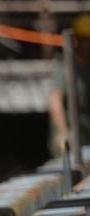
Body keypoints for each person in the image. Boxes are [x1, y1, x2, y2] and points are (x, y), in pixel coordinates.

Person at [49, 13, 90, 156]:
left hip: (86, 130)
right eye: (87, 40)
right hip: (70, 130)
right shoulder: (65, 66)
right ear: (78, 40)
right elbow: (56, 101)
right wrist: (64, 133)